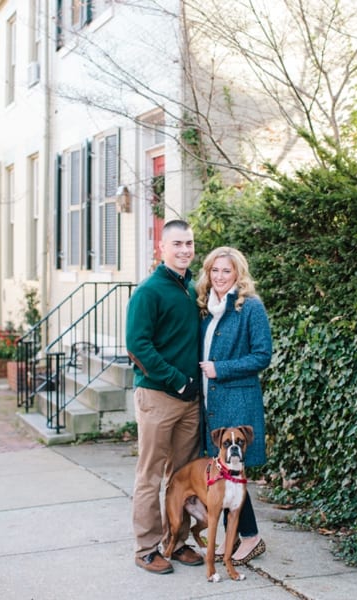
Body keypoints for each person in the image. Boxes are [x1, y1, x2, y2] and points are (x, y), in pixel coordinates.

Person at [125, 219, 203, 574]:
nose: (184, 250)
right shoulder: (149, 291)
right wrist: (176, 379)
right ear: (162, 247)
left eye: (189, 243)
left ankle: (177, 541)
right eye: (177, 244)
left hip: (190, 400)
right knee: (150, 476)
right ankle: (146, 548)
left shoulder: (191, 289)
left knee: (183, 476)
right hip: (158, 396)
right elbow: (137, 345)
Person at [196, 246, 272, 565]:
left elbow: (262, 355)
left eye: (226, 271)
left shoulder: (250, 307)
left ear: (238, 274)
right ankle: (235, 537)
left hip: (238, 401)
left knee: (233, 472)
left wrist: (220, 368)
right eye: (215, 270)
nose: (220, 277)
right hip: (212, 402)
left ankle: (251, 537)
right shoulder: (206, 308)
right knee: (222, 473)